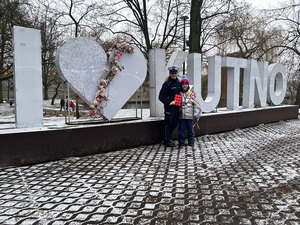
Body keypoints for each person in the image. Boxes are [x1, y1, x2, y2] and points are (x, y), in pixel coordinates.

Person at [158, 65, 181, 147]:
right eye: (172, 73)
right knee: (168, 123)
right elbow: (161, 97)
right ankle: (166, 141)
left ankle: (166, 137)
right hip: (169, 107)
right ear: (170, 73)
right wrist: (169, 102)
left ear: (177, 73)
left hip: (177, 106)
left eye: (175, 73)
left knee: (175, 123)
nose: (174, 74)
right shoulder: (167, 83)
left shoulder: (179, 83)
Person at [178, 75, 201, 149]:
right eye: (183, 84)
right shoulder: (179, 93)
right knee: (181, 130)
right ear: (181, 85)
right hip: (181, 116)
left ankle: (191, 142)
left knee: (190, 129)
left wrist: (195, 113)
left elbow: (196, 105)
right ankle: (181, 142)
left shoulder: (192, 94)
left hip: (189, 116)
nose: (185, 85)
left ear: (188, 85)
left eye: (186, 84)